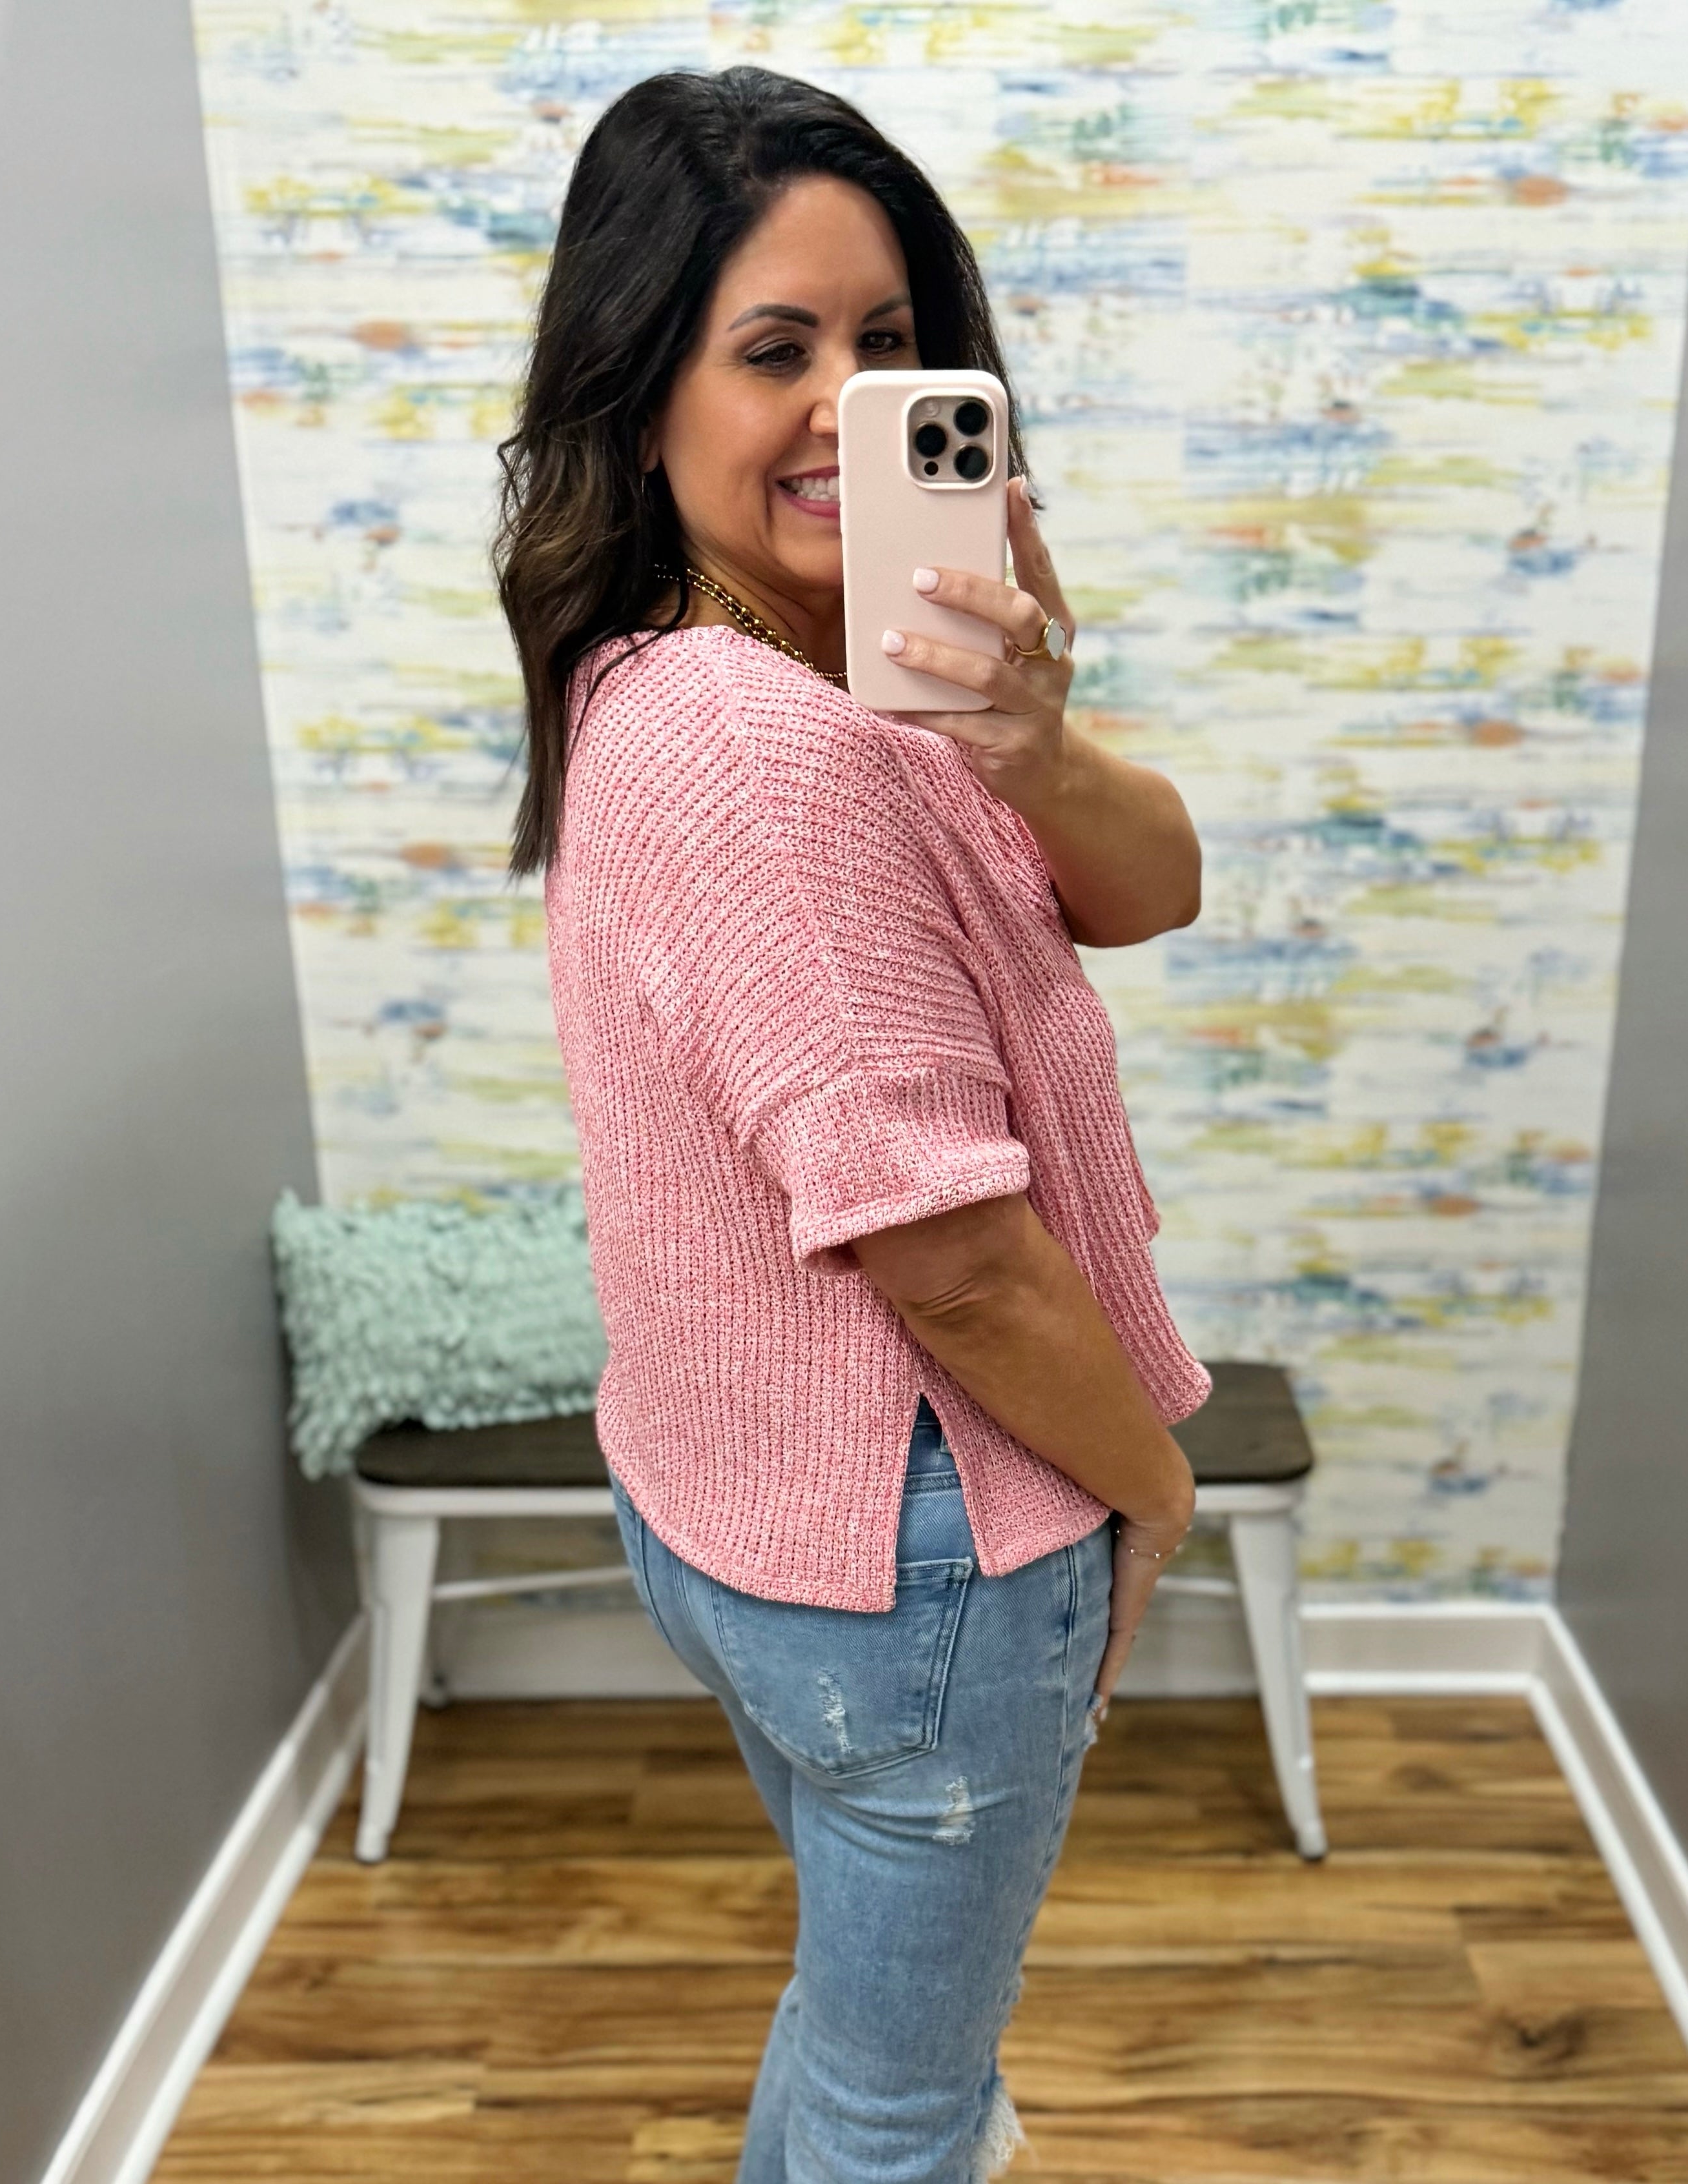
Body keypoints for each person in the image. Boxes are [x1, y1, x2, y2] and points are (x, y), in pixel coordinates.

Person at [495, 65, 1208, 2184]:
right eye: (772, 349)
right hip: (922, 1555)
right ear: (642, 396)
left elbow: (1148, 889)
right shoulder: (757, 742)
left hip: (765, 1512)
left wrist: (1028, 735)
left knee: (869, 2026)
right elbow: (951, 1254)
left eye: (888, 345)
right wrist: (1153, 1497)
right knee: (905, 2101)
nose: (846, 404)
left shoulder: (784, 678)